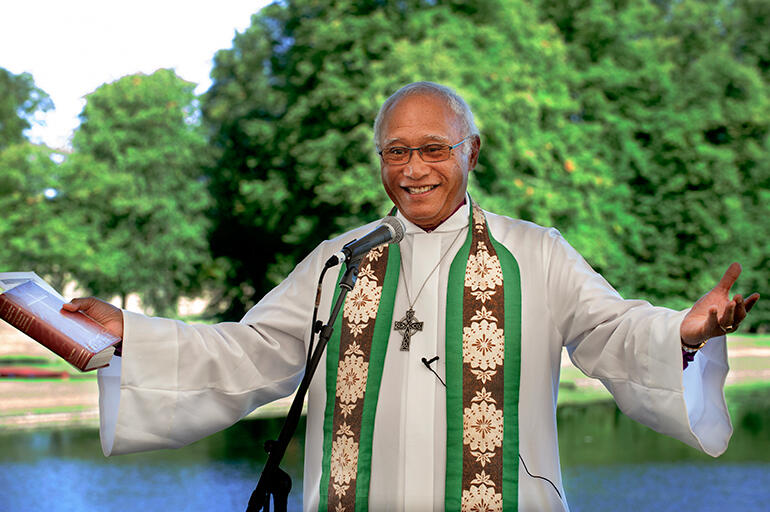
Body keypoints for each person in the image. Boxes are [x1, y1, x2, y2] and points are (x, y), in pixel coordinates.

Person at [65, 82, 759, 511]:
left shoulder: (535, 252)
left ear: (472, 153)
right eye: (395, 151)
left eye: (433, 148)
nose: (414, 168)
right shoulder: (343, 258)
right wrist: (133, 330)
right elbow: (254, 350)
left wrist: (684, 333)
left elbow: (614, 333)